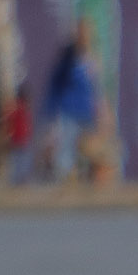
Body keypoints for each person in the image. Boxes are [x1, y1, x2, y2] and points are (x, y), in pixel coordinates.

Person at [42, 23, 98, 185]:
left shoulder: (91, 57)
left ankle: (83, 182)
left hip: (86, 112)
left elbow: (95, 88)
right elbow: (56, 84)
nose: (84, 38)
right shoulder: (68, 58)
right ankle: (64, 182)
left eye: (87, 34)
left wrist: (100, 110)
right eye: (81, 34)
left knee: (87, 151)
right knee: (66, 150)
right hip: (69, 111)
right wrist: (51, 110)